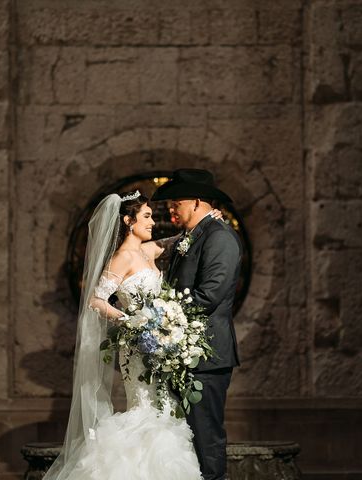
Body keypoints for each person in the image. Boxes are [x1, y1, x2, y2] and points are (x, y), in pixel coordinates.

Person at [44, 190, 222, 480]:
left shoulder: (148, 250)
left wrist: (207, 221)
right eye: (147, 216)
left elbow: (181, 240)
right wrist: (132, 321)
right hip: (137, 347)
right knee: (145, 408)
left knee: (163, 410)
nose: (153, 222)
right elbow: (96, 301)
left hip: (161, 345)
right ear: (129, 221)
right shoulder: (122, 258)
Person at [152, 169, 242, 480]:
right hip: (181, 352)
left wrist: (160, 317)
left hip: (206, 356)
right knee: (181, 439)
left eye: (176, 201)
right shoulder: (192, 236)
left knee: (205, 436)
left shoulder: (220, 238)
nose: (170, 208)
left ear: (197, 201)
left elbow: (210, 294)